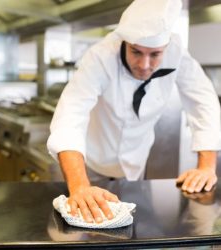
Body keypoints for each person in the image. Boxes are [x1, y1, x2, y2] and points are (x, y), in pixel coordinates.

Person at [47, 0, 221, 224]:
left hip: (135, 167)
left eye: (155, 54)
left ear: (165, 47)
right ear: (125, 42)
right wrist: (80, 186)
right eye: (136, 52)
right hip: (90, 165)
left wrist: (206, 167)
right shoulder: (100, 56)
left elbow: (203, 100)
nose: (144, 64)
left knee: (135, 228)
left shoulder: (176, 51)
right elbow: (71, 113)